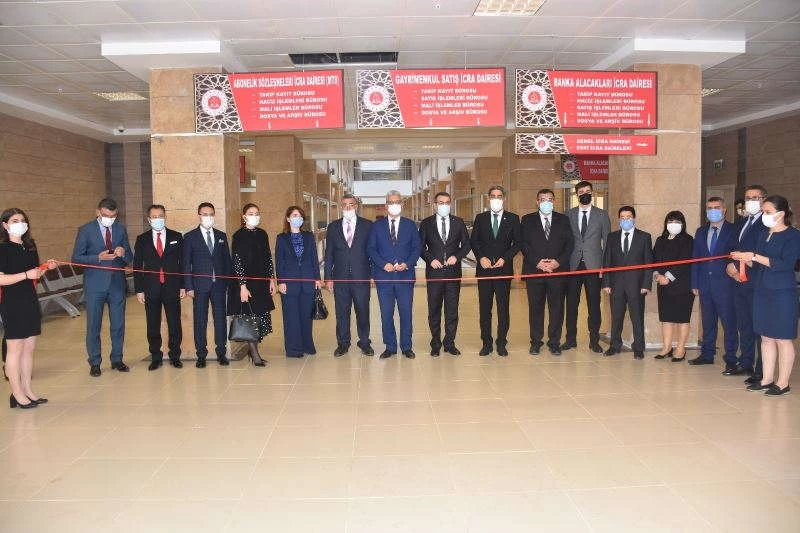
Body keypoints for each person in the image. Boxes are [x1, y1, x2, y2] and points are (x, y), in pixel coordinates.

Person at [732, 195, 800, 396]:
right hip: (762, 290)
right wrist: (744, 259)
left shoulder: (793, 236)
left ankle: (783, 383)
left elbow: (785, 264)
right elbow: (758, 263)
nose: (764, 215)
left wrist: (753, 256)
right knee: (766, 337)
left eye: (768, 212)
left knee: (783, 338)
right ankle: (767, 379)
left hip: (782, 292)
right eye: (764, 212)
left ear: (782, 214)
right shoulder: (763, 234)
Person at [0, 208, 57, 408]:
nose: (20, 223)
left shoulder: (30, 246)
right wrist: (26, 275)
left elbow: (34, 273)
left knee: (29, 349)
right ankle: (16, 394)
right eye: (15, 220)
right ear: (5, 225)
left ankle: (27, 390)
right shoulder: (3, 249)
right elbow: (2, 279)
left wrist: (45, 268)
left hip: (30, 300)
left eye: (22, 220)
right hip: (12, 302)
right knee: (15, 349)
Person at [72, 198, 133, 377]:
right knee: (94, 325)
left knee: (118, 324)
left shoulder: (120, 229)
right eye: (106, 215)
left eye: (113, 216)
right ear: (98, 212)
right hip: (95, 284)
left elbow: (129, 256)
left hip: (117, 283)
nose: (110, 219)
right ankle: (95, 362)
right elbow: (76, 259)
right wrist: (97, 257)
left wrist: (123, 253)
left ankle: (117, 359)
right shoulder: (85, 230)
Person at [367, 191, 421, 359]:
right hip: (384, 278)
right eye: (391, 202)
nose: (394, 205)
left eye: (397, 201)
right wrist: (383, 264)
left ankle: (406, 346)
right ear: (386, 205)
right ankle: (390, 346)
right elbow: (371, 249)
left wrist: (407, 263)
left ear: (402, 204)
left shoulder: (410, 225)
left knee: (406, 313)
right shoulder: (376, 226)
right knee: (386, 314)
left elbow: (416, 248)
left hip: (405, 277)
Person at [520, 189, 574, 356]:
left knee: (556, 309)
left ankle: (554, 342)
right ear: (537, 202)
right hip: (534, 271)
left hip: (557, 272)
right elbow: (523, 244)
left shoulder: (563, 219)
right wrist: (538, 262)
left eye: (550, 199)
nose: (546, 202)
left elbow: (570, 244)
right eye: (543, 199)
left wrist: (558, 262)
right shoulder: (527, 220)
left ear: (554, 201)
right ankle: (536, 342)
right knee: (535, 308)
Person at [470, 185, 520, 357]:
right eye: (493, 196)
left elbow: (518, 243)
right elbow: (474, 241)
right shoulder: (481, 218)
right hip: (484, 271)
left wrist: (505, 258)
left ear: (504, 198)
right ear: (488, 198)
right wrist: (480, 257)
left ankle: (501, 342)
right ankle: (486, 343)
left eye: (499, 196)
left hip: (503, 270)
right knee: (485, 309)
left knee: (503, 309)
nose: (496, 199)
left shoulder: (513, 218)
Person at [133, 204, 185, 371]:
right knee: (152, 324)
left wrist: (183, 285)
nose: (158, 219)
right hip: (151, 288)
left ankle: (175, 355)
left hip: (172, 287)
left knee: (174, 323)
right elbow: (137, 266)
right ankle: (155, 356)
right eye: (154, 217)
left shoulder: (176, 236)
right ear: (149, 220)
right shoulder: (142, 239)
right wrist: (139, 290)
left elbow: (182, 263)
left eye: (160, 216)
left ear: (165, 217)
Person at [418, 191, 471, 357]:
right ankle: (435, 343)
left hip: (453, 274)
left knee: (452, 310)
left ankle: (449, 343)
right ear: (435, 205)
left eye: (447, 202)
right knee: (434, 310)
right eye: (441, 202)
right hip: (434, 273)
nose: (444, 205)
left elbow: (467, 245)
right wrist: (430, 259)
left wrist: (457, 256)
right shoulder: (426, 223)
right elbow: (420, 246)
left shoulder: (458, 222)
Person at [689, 197, 739, 368]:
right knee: (708, 322)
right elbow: (696, 258)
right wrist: (694, 283)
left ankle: (731, 357)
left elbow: (737, 254)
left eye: (716, 207)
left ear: (724, 210)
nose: (712, 211)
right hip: (705, 284)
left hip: (726, 284)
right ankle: (707, 354)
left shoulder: (733, 229)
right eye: (709, 208)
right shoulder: (701, 231)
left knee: (729, 323)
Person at [726, 185, 768, 381]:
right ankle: (746, 363)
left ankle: (761, 370)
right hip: (739, 282)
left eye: (755, 197)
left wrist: (742, 264)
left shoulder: (766, 224)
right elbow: (733, 248)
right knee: (744, 325)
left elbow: (762, 253)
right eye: (748, 198)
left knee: (759, 327)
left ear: (763, 200)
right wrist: (730, 266)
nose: (751, 201)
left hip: (757, 282)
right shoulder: (742, 222)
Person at [183, 202, 232, 368]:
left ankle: (221, 353)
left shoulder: (221, 236)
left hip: (219, 286)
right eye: (205, 214)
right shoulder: (190, 237)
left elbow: (227, 261)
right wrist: (189, 286)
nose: (208, 217)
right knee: (200, 321)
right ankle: (201, 355)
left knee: (220, 320)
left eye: (211, 214)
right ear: (199, 215)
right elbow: (186, 264)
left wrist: (228, 283)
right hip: (199, 287)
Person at [564, 181, 611, 354]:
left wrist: (604, 267)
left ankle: (594, 341)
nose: (585, 193)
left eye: (588, 191)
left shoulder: (602, 215)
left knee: (594, 305)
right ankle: (570, 339)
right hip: (573, 265)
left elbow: (608, 243)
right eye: (581, 191)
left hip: (594, 266)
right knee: (571, 305)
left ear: (592, 193)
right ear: (577, 194)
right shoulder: (568, 214)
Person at [324, 194, 374, 357]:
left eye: (351, 204)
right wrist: (328, 278)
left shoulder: (368, 225)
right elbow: (329, 254)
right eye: (344, 204)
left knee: (363, 311)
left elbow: (373, 252)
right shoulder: (333, 227)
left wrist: (373, 275)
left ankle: (364, 342)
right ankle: (343, 344)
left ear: (356, 206)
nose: (347, 207)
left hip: (362, 277)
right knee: (342, 313)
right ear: (340, 206)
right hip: (340, 278)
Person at [228, 203, 276, 366]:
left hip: (261, 283)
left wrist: (271, 279)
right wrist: (242, 285)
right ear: (244, 216)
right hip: (246, 284)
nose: (254, 216)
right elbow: (237, 262)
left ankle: (253, 350)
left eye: (256, 213)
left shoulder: (262, 234)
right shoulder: (238, 236)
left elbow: (268, 258)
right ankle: (255, 355)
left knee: (260, 319)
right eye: (251, 213)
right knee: (250, 317)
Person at [603, 206, 653, 359]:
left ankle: (638, 347)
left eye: (628, 217)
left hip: (636, 285)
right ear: (619, 219)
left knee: (637, 318)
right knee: (616, 317)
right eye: (622, 218)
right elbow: (607, 261)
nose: (625, 220)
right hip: (616, 285)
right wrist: (606, 283)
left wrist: (646, 284)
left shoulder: (644, 237)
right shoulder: (612, 237)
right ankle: (614, 345)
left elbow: (648, 262)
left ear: (634, 218)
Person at [275, 206, 321, 358]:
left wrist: (317, 279)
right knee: (291, 317)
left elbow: (314, 259)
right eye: (294, 215)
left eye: (300, 216)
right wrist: (280, 281)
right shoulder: (282, 238)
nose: (298, 218)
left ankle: (307, 345)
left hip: (308, 281)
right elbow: (279, 261)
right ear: (288, 219)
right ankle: (294, 349)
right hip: (289, 283)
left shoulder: (309, 236)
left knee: (306, 316)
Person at [652, 211, 695, 362]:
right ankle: (666, 347)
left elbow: (684, 261)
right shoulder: (660, 240)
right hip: (663, 286)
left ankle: (681, 349)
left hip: (682, 285)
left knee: (682, 318)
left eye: (677, 222)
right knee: (667, 318)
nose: (673, 224)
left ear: (683, 224)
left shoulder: (688, 240)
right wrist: (657, 275)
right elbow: (654, 259)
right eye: (670, 221)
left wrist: (668, 277)